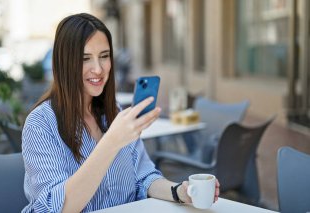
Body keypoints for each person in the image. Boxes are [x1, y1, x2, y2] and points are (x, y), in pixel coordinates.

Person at [21, 13, 219, 213]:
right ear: (64, 63)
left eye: (104, 56)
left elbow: (145, 177)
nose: (98, 69)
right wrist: (111, 142)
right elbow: (59, 208)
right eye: (85, 58)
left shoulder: (113, 113)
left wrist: (180, 192)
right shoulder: (40, 123)